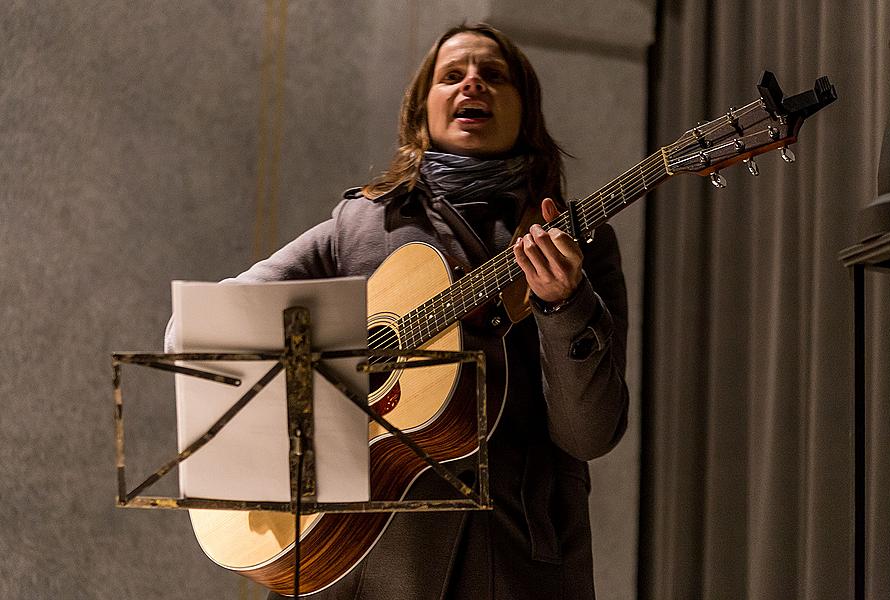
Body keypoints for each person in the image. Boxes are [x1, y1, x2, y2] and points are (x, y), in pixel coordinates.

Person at [180, 22, 629, 599]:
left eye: (493, 75)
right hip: (356, 563)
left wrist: (564, 306)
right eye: (452, 76)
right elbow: (222, 316)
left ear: (527, 112)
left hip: (509, 565)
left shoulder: (580, 241)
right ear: (423, 112)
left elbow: (589, 434)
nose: (473, 84)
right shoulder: (359, 225)